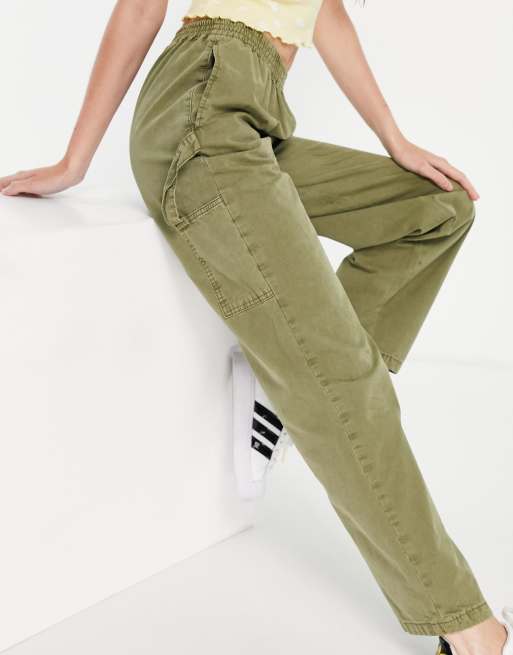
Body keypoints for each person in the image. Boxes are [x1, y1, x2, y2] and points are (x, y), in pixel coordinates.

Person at [0, 1, 510, 653]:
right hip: (202, 107)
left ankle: (287, 388)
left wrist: (396, 140)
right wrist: (75, 160)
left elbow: (325, 12)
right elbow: (141, 6)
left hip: (255, 117)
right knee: (342, 377)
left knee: (436, 209)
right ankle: (467, 629)